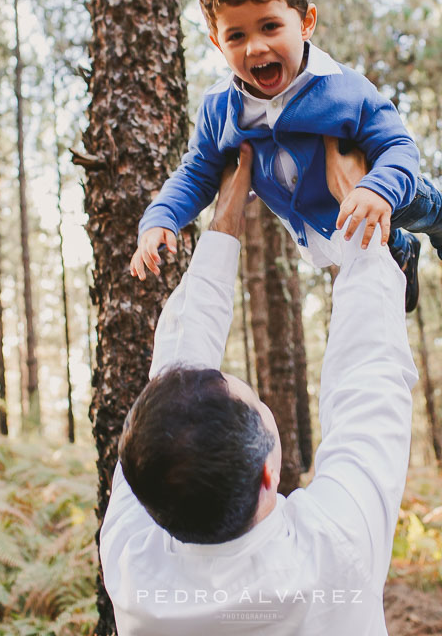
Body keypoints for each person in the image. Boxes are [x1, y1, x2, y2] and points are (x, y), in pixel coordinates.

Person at [100, 139, 418, 634]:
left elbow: (175, 380)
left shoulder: (132, 563)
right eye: (252, 401)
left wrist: (223, 224)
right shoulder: (335, 549)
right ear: (269, 475)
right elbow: (368, 374)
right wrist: (358, 215)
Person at [129, 0, 442, 316]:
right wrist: (161, 218)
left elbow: (397, 145)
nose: (254, 48)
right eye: (236, 36)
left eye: (270, 27)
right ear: (217, 42)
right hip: (328, 225)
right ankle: (399, 251)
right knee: (378, 251)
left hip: (386, 192)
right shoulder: (220, 108)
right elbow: (196, 172)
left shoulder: (343, 88)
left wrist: (379, 190)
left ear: (305, 23)